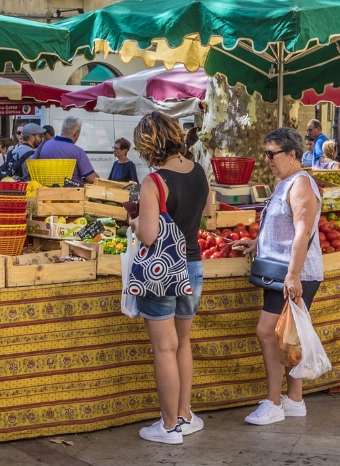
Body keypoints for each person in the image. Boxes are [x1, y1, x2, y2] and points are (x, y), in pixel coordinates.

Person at [232, 128, 325, 423]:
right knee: (289, 335)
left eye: (272, 154)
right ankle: (295, 400)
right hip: (283, 270)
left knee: (266, 331)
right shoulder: (285, 183)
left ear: (292, 154)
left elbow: (301, 233)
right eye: (266, 153)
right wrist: (257, 243)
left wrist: (294, 275)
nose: (267, 159)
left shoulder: (300, 185)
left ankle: (273, 403)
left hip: (292, 272)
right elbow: (282, 230)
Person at [130, 112, 211, 444]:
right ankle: (185, 415)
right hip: (193, 265)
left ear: (149, 145)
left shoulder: (154, 182)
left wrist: (133, 220)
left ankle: (167, 427)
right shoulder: (199, 171)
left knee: (164, 348)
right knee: (183, 343)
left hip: (163, 272)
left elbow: (148, 235)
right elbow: (205, 214)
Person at [26, 117, 99, 184]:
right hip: (70, 194)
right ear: (76, 134)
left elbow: (30, 170)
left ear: (62, 130)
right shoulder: (78, 152)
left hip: (44, 192)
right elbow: (92, 179)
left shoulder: (42, 146)